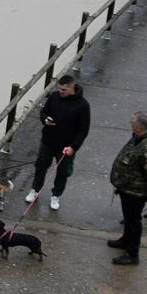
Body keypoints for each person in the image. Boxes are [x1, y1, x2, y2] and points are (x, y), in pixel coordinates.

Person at [24, 73, 90, 211]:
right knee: (41, 166)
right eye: (59, 89)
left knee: (63, 172)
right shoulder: (54, 97)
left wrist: (73, 147)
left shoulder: (83, 105)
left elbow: (83, 130)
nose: (60, 92)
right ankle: (35, 190)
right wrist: (45, 119)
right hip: (48, 141)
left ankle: (56, 195)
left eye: (63, 90)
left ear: (72, 88)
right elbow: (43, 112)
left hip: (66, 146)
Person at [108, 111, 147, 266]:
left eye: (133, 124)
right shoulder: (139, 137)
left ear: (139, 127)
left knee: (133, 221)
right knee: (128, 218)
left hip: (136, 191)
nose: (131, 126)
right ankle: (125, 240)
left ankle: (132, 254)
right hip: (128, 187)